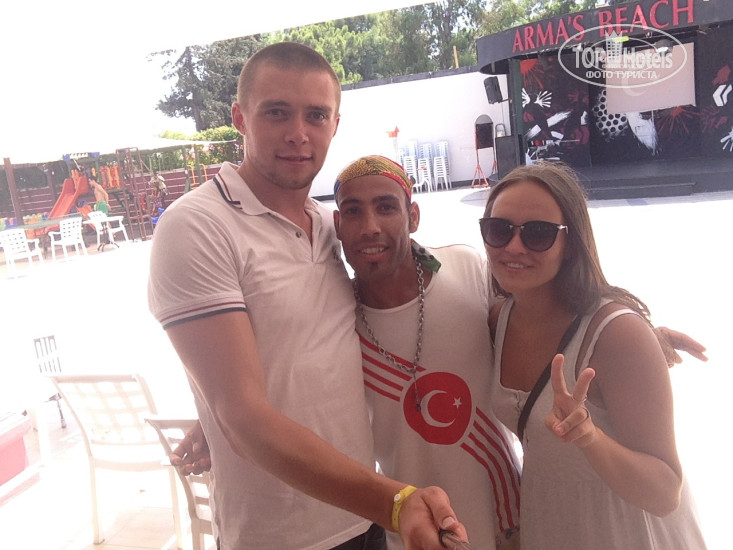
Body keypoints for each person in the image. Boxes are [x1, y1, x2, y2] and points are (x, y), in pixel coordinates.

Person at [147, 42, 466, 550]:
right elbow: (244, 418)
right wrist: (396, 502)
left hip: (360, 518)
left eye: (315, 115)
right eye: (277, 112)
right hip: (281, 536)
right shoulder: (197, 226)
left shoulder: (329, 226)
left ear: (334, 124)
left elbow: (306, 348)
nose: (298, 133)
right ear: (240, 118)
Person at [482, 161, 707, 548]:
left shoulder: (616, 334)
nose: (513, 247)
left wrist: (589, 436)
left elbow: (665, 492)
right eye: (498, 229)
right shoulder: (498, 320)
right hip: (552, 523)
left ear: (570, 243)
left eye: (538, 233)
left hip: (628, 532)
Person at [332, 155, 521, 550]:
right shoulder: (334, 318)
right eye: (353, 211)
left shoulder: (466, 268)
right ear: (337, 225)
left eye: (386, 207)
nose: (370, 227)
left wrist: (614, 333)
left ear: (413, 216)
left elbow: (535, 324)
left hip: (512, 521)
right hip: (418, 533)